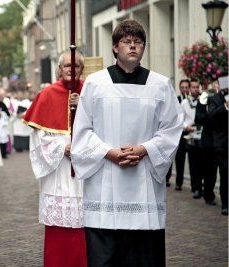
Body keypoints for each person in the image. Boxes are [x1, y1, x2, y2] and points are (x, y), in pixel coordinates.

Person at [71, 19, 183, 267]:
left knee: (143, 259)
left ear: (144, 47)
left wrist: (145, 150)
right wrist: (109, 153)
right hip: (104, 181)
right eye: (126, 42)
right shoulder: (95, 83)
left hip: (143, 182)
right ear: (115, 47)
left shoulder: (160, 85)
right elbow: (82, 130)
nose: (133, 46)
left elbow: (172, 128)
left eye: (138, 42)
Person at [23, 49, 87, 267]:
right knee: (59, 229)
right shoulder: (47, 94)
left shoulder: (90, 92)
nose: (71, 69)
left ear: (82, 69)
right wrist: (63, 148)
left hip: (86, 170)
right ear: (59, 69)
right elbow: (38, 139)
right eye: (67, 66)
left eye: (76, 66)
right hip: (59, 170)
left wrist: (83, 108)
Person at [208, 75, 228, 215]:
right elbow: (212, 116)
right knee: (225, 173)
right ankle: (225, 205)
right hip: (222, 143)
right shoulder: (214, 99)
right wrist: (225, 106)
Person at [195, 83, 218, 205]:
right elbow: (198, 118)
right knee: (209, 171)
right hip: (208, 141)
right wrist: (210, 113)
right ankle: (208, 194)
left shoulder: (222, 99)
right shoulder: (203, 99)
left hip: (221, 140)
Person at [182, 79, 204, 199]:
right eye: (193, 87)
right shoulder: (185, 102)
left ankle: (202, 187)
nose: (196, 89)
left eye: (197, 87)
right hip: (190, 135)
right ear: (190, 89)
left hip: (202, 134)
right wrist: (186, 126)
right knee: (193, 163)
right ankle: (195, 187)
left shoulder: (204, 100)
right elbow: (180, 119)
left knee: (202, 163)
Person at [174, 79, 190, 190]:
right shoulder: (176, 99)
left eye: (186, 87)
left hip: (192, 132)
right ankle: (179, 182)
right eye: (182, 87)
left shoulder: (194, 99)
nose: (184, 89)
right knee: (180, 159)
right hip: (180, 134)